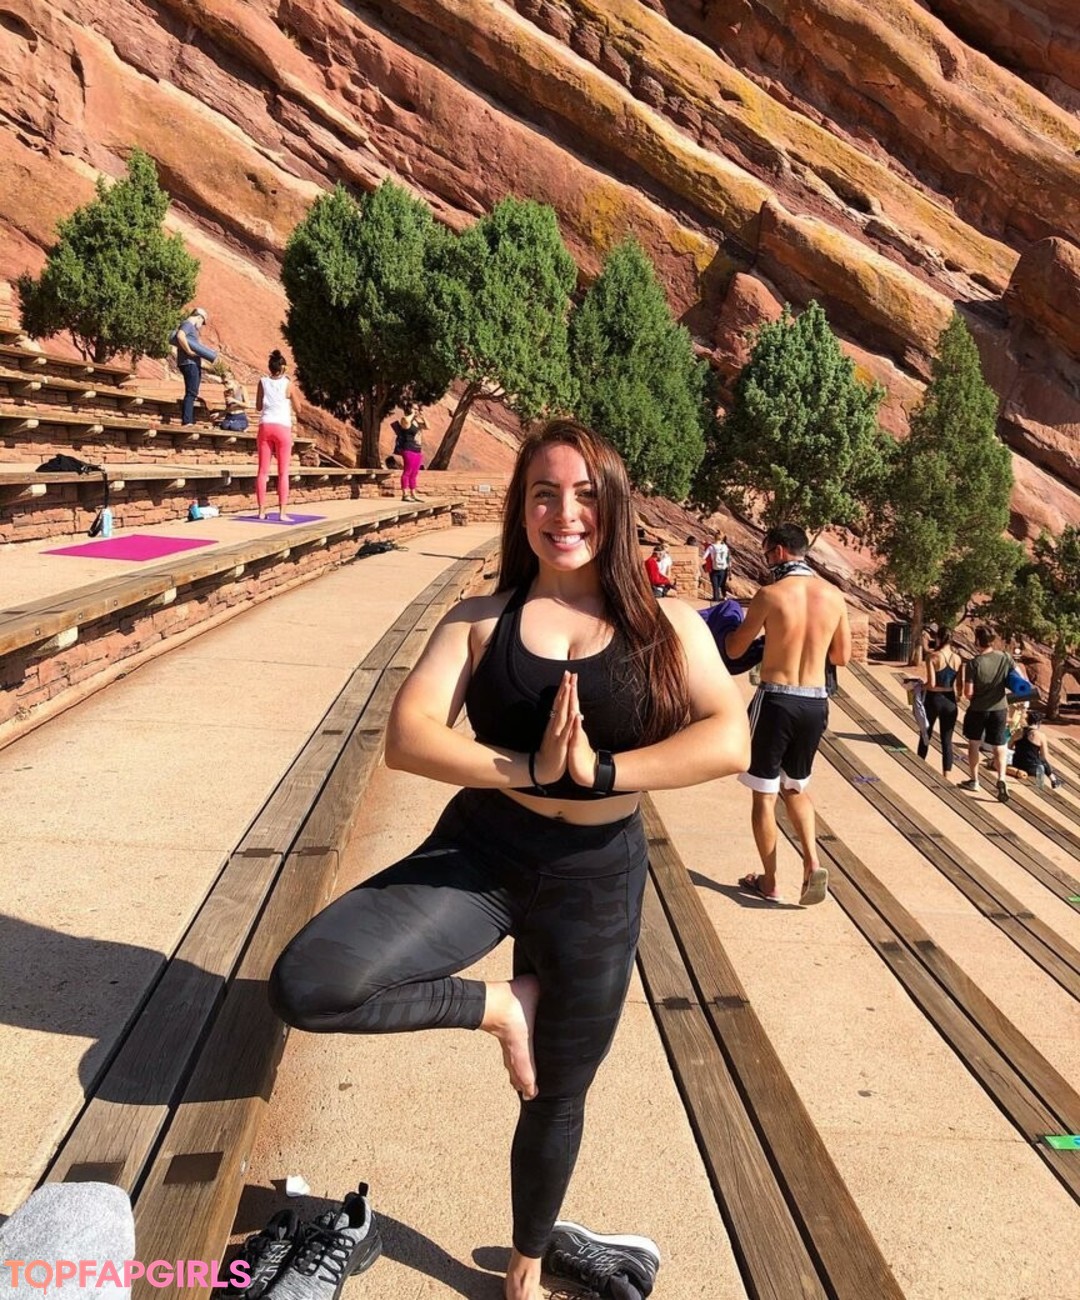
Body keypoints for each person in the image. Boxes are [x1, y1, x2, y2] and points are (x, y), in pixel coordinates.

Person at [268, 419, 750, 1300]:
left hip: (596, 879)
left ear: (614, 507)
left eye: (584, 495)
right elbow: (408, 736)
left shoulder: (666, 625)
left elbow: (729, 736)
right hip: (485, 849)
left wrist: (603, 772)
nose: (564, 514)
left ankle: (526, 1266)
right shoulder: (481, 621)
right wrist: (529, 768)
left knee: (557, 1093)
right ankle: (503, 1008)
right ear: (521, 509)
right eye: (543, 494)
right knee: (311, 984)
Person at [723, 523, 851, 905]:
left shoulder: (771, 594)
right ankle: (812, 862)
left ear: (779, 551)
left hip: (776, 700)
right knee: (795, 786)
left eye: (766, 553)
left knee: (764, 794)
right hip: (815, 702)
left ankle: (770, 881)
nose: (766, 560)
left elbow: (734, 650)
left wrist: (736, 632)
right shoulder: (834, 596)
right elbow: (841, 657)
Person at [958, 625, 1012, 801]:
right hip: (1000, 708)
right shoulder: (1005, 657)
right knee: (999, 745)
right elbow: (1017, 678)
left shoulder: (974, 663)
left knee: (974, 744)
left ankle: (974, 780)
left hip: (978, 709)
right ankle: (1002, 778)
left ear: (977, 641)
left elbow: (968, 693)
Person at [255, 350, 298, 521]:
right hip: (282, 427)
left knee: (262, 471)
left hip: (265, 425)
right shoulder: (288, 384)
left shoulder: (262, 382)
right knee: (283, 472)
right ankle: (282, 513)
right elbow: (299, 408)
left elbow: (258, 406)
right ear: (283, 368)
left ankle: (261, 511)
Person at [917, 627, 962, 778]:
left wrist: (918, 687)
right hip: (950, 700)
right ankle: (946, 775)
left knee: (925, 734)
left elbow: (931, 683)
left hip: (934, 699)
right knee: (947, 740)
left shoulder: (932, 657)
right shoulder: (958, 659)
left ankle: (919, 767)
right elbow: (959, 685)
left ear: (938, 639)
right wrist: (959, 695)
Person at [173, 307, 217, 427]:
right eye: (202, 322)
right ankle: (187, 421)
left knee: (192, 391)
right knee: (191, 392)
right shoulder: (188, 324)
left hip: (190, 363)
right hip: (189, 363)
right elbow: (180, 335)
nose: (201, 325)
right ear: (199, 317)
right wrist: (188, 351)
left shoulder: (189, 326)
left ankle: (188, 419)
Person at [1010, 712, 1061, 788]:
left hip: (1017, 763)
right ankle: (1053, 780)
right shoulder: (1041, 736)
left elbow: (1009, 746)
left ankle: (1053, 780)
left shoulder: (1018, 732)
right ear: (1038, 722)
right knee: (1042, 760)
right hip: (1032, 768)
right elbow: (1044, 756)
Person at [393, 403, 428, 502]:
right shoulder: (405, 419)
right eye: (414, 408)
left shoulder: (416, 421)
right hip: (408, 448)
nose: (416, 410)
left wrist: (423, 417)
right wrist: (412, 414)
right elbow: (406, 423)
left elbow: (427, 427)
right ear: (409, 409)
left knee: (414, 473)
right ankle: (405, 494)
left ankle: (413, 494)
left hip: (417, 449)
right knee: (407, 471)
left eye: (417, 409)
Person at [216, 368, 249, 433]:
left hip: (239, 416)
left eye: (226, 382)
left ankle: (243, 427)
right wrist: (219, 414)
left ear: (233, 380)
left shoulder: (241, 389)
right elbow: (228, 409)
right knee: (225, 426)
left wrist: (234, 400)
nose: (225, 385)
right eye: (223, 383)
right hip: (229, 416)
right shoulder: (226, 392)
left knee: (234, 427)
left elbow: (247, 405)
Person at [703, 533, 730, 603]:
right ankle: (721, 599)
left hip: (714, 569)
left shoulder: (711, 547)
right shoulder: (725, 547)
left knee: (715, 588)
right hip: (723, 569)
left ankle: (716, 601)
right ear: (721, 539)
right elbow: (727, 558)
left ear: (714, 538)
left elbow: (704, 557)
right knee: (719, 586)